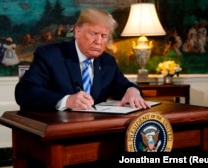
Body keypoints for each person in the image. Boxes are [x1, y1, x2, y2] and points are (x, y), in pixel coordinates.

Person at [15, 8, 150, 111]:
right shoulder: (50, 55)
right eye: (94, 34)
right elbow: (24, 92)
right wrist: (66, 101)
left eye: (104, 36)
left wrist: (132, 91)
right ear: (77, 32)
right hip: (58, 131)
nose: (98, 41)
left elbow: (123, 86)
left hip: (96, 130)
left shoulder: (107, 61)